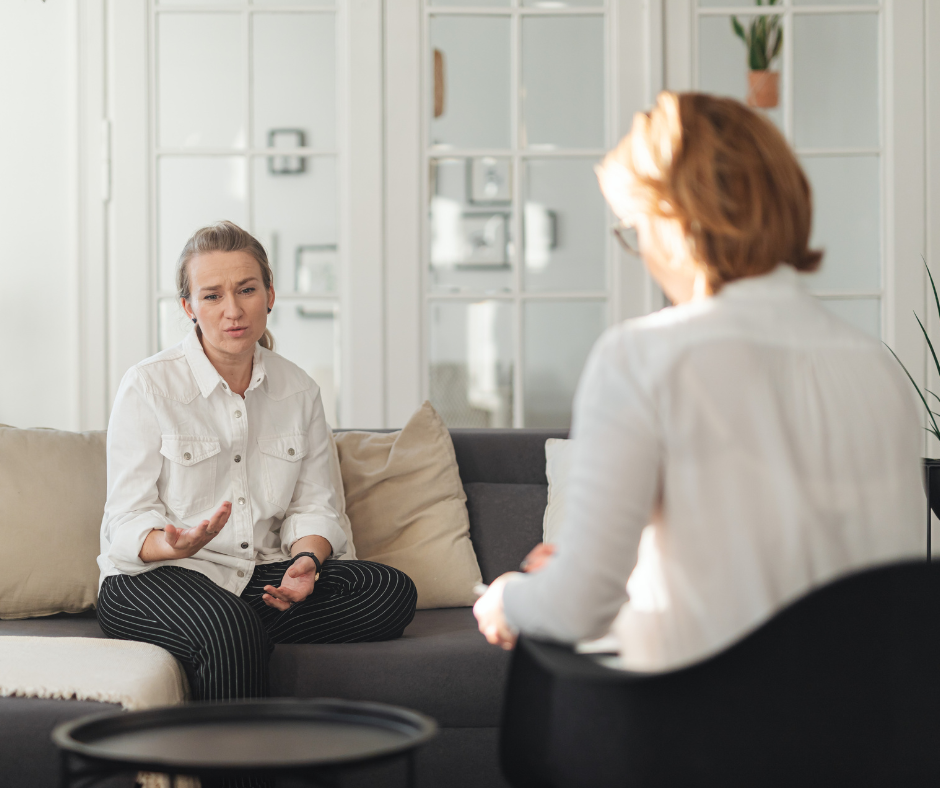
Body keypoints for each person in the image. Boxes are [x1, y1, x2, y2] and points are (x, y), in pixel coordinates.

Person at [474, 92, 924, 672]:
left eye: (636, 229)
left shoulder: (642, 355)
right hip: (879, 738)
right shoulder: (879, 368)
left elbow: (576, 608)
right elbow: (808, 574)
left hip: (707, 737)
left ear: (674, 222)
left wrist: (509, 597)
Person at [97, 220, 418, 706]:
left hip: (256, 578)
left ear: (270, 294)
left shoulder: (299, 390)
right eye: (212, 296)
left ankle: (229, 640)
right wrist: (174, 544)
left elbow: (316, 505)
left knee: (388, 591)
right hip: (154, 579)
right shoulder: (148, 386)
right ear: (188, 307)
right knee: (228, 627)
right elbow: (124, 520)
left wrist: (306, 563)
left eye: (246, 289)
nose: (232, 310)